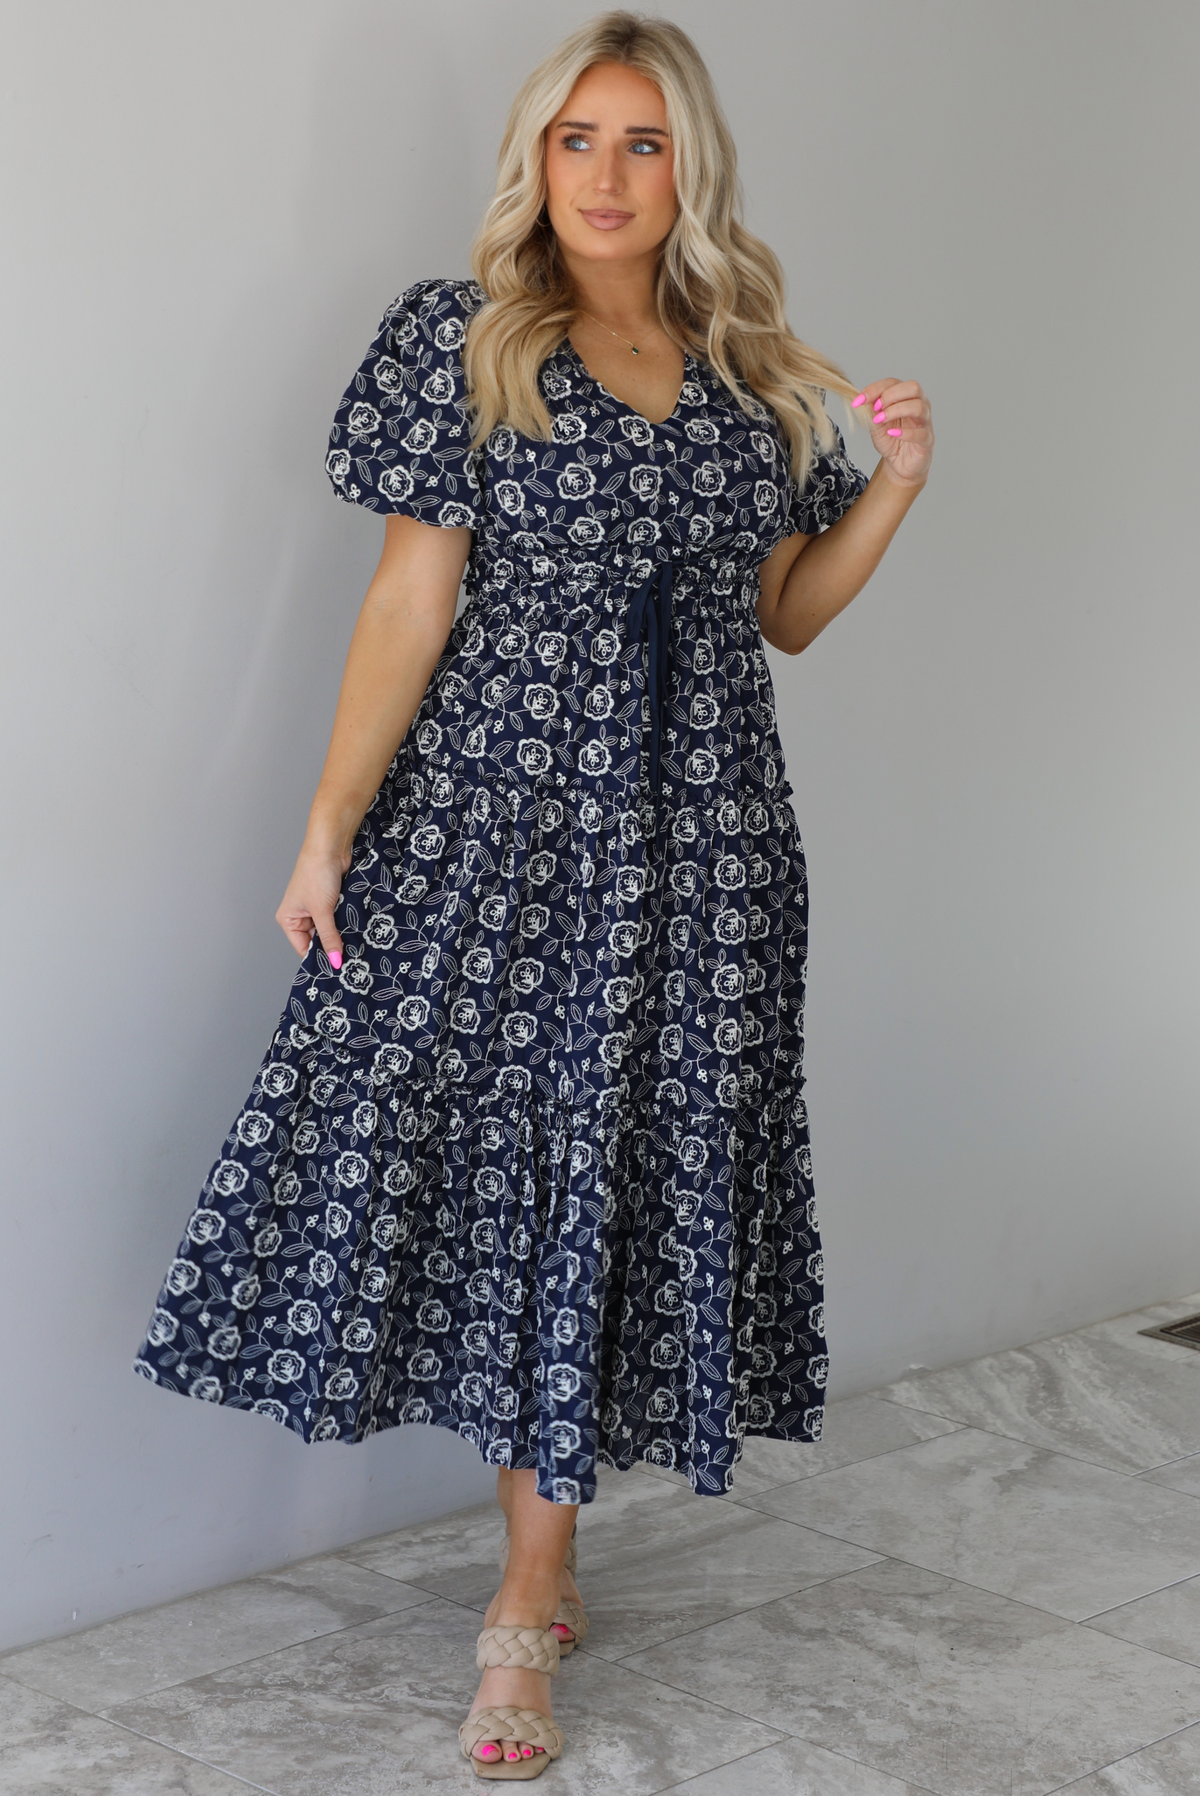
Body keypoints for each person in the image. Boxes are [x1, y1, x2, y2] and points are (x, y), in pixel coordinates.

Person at [134, 9, 933, 1779]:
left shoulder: (749, 373)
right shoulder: (469, 343)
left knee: (629, 1182)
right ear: (535, 160)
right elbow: (409, 605)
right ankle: (523, 1610)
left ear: (689, 169)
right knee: (519, 1181)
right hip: (496, 834)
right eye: (578, 138)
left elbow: (780, 616)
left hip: (709, 850)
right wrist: (328, 827)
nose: (607, 174)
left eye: (643, 143)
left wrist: (894, 495)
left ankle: (539, 1564)